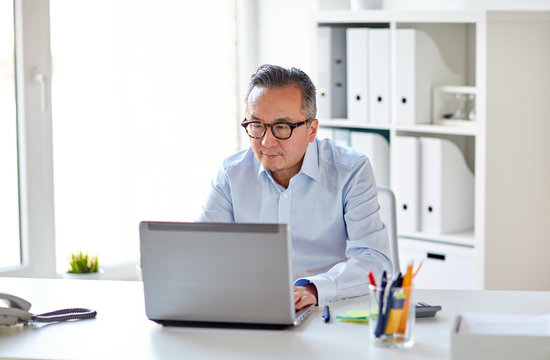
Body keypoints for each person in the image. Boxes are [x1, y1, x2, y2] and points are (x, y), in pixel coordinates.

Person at [197, 64, 393, 310]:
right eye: (257, 125)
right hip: (252, 309)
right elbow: (204, 253)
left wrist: (314, 289)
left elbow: (374, 260)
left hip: (327, 309)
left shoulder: (351, 170)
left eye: (282, 127)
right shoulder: (231, 174)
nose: (266, 142)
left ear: (311, 130)